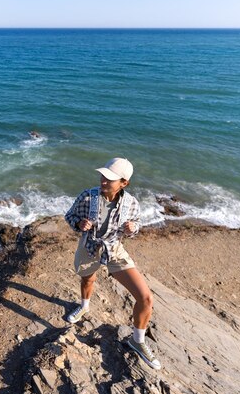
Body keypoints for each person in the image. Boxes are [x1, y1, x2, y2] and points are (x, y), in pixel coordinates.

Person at [64, 157, 161, 370]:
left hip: (115, 250)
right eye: (103, 176)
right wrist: (79, 223)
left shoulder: (132, 203)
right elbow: (69, 216)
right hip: (90, 247)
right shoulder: (88, 197)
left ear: (124, 183)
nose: (103, 181)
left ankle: (137, 341)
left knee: (145, 298)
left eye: (110, 179)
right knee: (88, 279)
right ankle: (84, 307)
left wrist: (132, 230)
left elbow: (137, 226)